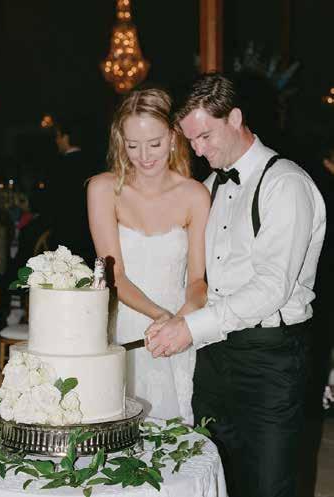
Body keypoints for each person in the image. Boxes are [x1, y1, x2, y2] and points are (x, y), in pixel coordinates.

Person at [145, 73, 326, 497]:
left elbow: (271, 288)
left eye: (205, 136)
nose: (198, 150)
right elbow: (199, 278)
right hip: (214, 357)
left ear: (236, 118)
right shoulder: (210, 187)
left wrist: (192, 327)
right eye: (191, 141)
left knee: (269, 484)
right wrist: (175, 319)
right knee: (216, 477)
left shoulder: (285, 184)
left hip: (270, 358)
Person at [87, 88, 210, 424]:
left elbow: (197, 281)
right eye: (132, 145)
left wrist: (182, 320)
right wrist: (160, 316)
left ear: (172, 137)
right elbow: (115, 275)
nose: (143, 156)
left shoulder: (195, 195)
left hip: (179, 328)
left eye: (154, 144)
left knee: (173, 433)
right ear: (120, 142)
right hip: (124, 326)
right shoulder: (103, 189)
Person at [48, 117, 97, 265]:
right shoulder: (93, 163)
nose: (56, 141)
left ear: (66, 137)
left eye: (58, 136)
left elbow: (49, 203)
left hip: (64, 236)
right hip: (90, 236)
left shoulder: (58, 166)